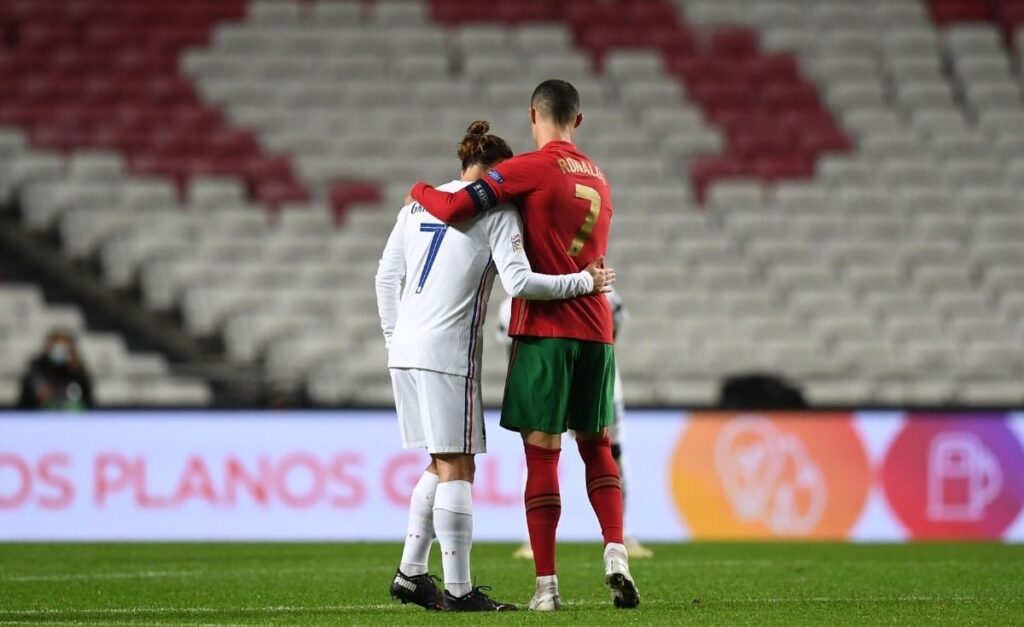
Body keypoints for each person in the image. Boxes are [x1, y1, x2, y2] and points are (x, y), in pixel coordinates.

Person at [409, 80, 640, 611]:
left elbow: (455, 206)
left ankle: (547, 587)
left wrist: (419, 189)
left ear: (534, 114)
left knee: (543, 456)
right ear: (577, 121)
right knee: (598, 446)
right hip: (597, 331)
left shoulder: (532, 168)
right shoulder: (601, 178)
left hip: (546, 331)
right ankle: (615, 551)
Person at [496, 289, 655, 560]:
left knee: (592, 452)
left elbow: (613, 332)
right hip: (554, 375)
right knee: (566, 455)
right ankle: (535, 540)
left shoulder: (605, 293)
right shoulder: (520, 296)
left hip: (585, 375)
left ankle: (622, 534)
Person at [18, 328, 94, 410]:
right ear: (48, 347)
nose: (59, 352)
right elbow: (24, 402)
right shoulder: (37, 369)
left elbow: (87, 400)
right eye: (56, 346)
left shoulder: (78, 371)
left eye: (63, 348)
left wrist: (77, 371)